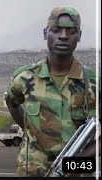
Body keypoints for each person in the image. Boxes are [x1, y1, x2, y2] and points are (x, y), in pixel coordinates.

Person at [5, 6, 98, 177]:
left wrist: (75, 164)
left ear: (79, 36)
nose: (63, 36)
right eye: (56, 30)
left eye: (71, 31)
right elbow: (12, 102)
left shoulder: (94, 83)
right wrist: (30, 131)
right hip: (32, 171)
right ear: (45, 33)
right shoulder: (24, 78)